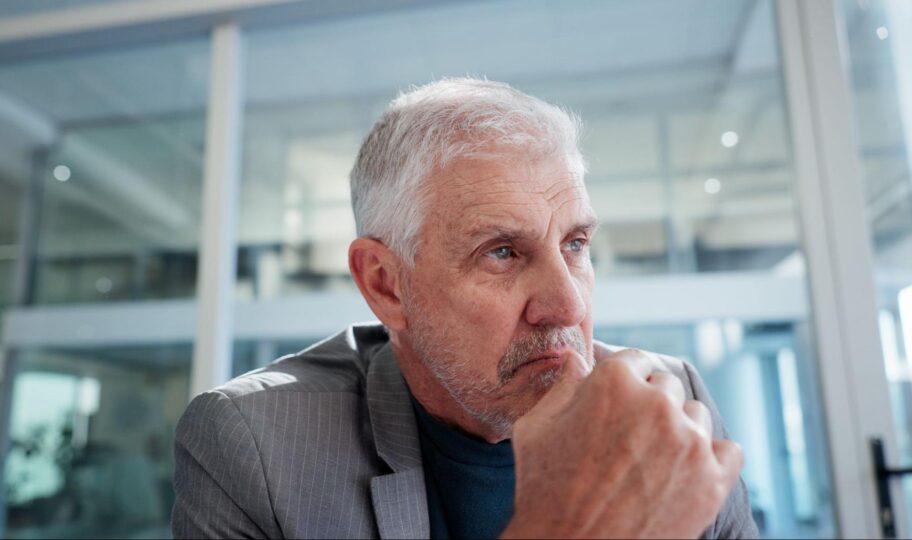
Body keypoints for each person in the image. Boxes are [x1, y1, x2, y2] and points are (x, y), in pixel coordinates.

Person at [172, 78, 758, 539]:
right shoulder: (255, 442)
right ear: (386, 286)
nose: (568, 304)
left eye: (575, 245)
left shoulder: (672, 401)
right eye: (502, 252)